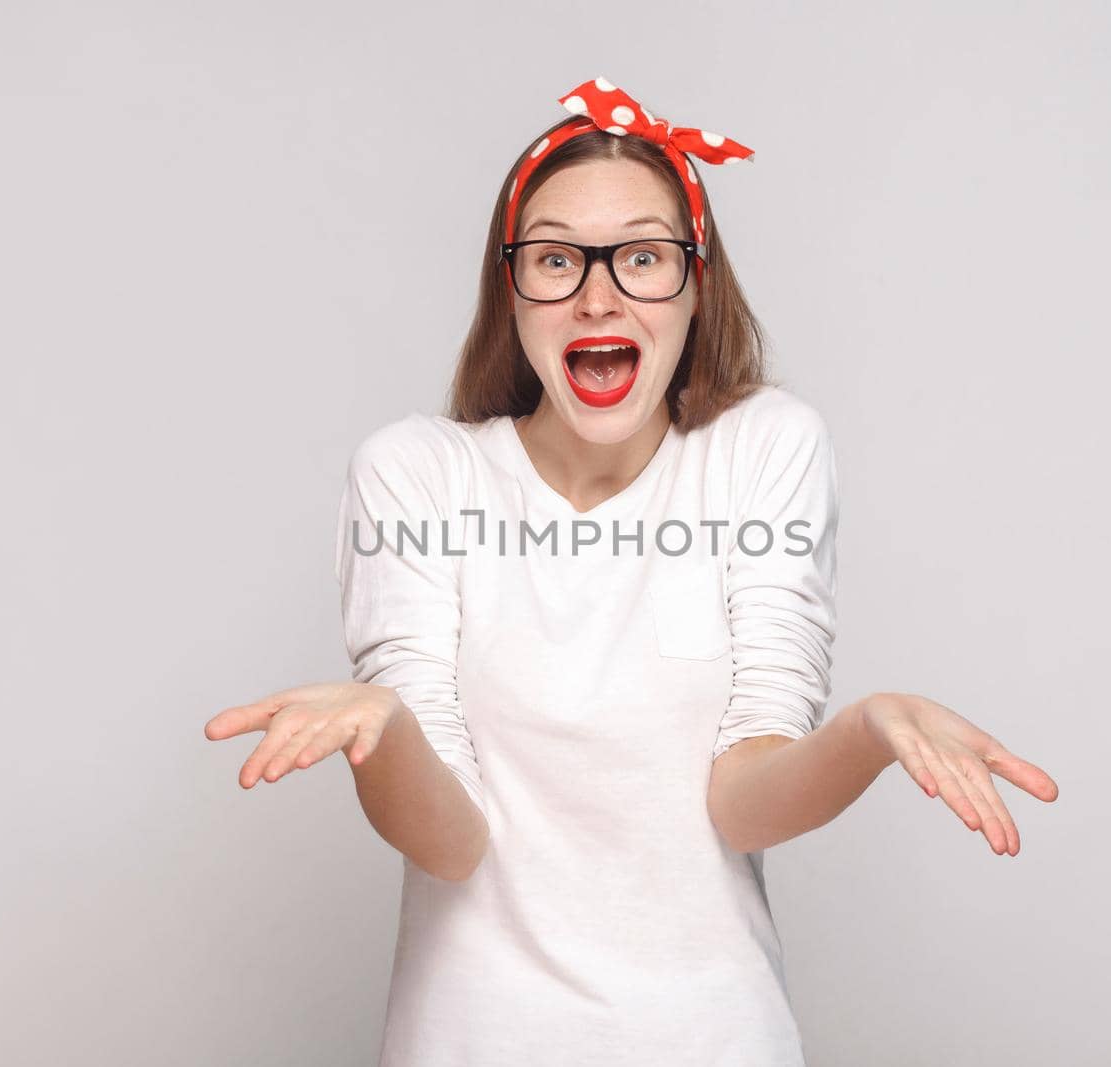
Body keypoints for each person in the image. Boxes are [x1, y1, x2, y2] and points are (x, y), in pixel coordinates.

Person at [204, 77, 1059, 1066]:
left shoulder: (761, 450)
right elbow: (450, 842)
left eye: (642, 257)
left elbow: (741, 801)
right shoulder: (417, 473)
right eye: (558, 259)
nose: (598, 293)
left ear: (696, 287)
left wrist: (866, 731)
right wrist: (386, 729)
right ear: (511, 288)